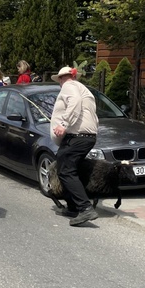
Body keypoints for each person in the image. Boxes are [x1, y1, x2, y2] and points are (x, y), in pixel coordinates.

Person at [49, 66, 99, 226]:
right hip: (87, 137)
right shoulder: (84, 89)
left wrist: (63, 124)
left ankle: (85, 208)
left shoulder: (69, 86)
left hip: (77, 136)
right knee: (69, 169)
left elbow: (74, 103)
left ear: (62, 78)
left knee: (65, 170)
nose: (59, 83)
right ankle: (72, 206)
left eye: (59, 80)